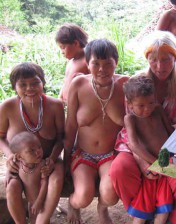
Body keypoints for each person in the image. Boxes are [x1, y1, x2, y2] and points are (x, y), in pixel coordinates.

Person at [110, 30, 176, 224]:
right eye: (153, 59)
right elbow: (130, 135)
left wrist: (167, 161)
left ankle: (170, 217)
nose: (160, 66)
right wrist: (143, 161)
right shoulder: (134, 84)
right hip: (139, 150)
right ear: (147, 59)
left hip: (173, 150)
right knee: (119, 169)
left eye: (166, 59)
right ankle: (140, 210)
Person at [64, 38, 128, 224]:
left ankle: (102, 208)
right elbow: (70, 126)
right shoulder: (78, 85)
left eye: (108, 63)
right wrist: (66, 159)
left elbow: (138, 116)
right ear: (87, 62)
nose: (102, 69)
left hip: (111, 154)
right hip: (83, 154)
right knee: (83, 196)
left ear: (116, 62)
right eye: (96, 63)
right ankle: (73, 204)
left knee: (110, 195)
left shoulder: (125, 85)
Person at [0, 62, 65, 224]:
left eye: (35, 83)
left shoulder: (55, 105)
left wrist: (52, 159)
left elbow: (61, 138)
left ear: (43, 82)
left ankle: (42, 220)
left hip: (49, 160)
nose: (30, 88)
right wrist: (10, 157)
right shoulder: (7, 107)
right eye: (23, 84)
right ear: (15, 87)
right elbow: (0, 137)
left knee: (56, 178)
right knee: (12, 187)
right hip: (20, 162)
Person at [123, 75, 175, 223]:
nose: (147, 109)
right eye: (141, 105)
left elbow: (170, 131)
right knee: (140, 215)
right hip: (151, 169)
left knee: (163, 214)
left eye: (151, 102)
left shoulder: (158, 110)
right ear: (130, 104)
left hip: (165, 169)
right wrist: (156, 163)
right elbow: (134, 145)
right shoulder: (130, 119)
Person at [8, 132, 48, 224]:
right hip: (30, 203)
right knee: (32, 219)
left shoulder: (42, 165)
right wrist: (9, 174)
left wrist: (39, 201)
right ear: (19, 156)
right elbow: (11, 170)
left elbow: (44, 184)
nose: (38, 152)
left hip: (41, 202)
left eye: (39, 147)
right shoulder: (18, 165)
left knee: (42, 221)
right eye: (31, 150)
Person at [55, 23, 90, 105]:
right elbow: (66, 81)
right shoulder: (70, 61)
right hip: (66, 104)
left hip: (80, 105)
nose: (62, 52)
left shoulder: (88, 61)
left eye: (63, 48)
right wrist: (60, 97)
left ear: (75, 43)